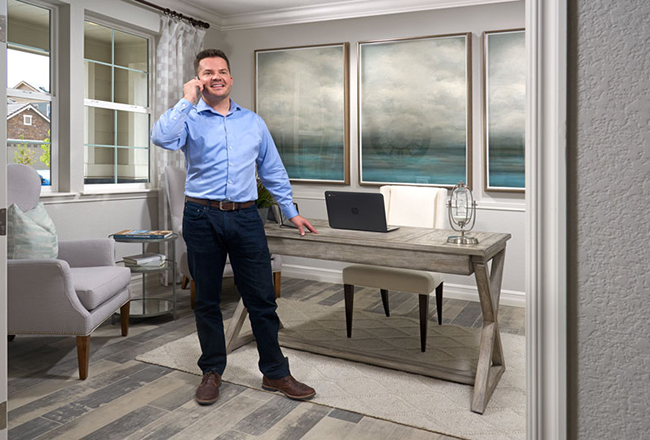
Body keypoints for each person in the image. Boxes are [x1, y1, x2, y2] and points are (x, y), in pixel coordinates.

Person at [151, 49, 318, 405]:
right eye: (208, 72)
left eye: (222, 71)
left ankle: (275, 373)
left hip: (245, 218)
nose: (217, 76)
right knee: (207, 301)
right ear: (199, 80)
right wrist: (185, 100)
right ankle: (212, 371)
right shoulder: (189, 118)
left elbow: (272, 169)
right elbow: (161, 138)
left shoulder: (253, 122)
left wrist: (291, 212)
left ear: (231, 78)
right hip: (201, 217)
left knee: (261, 299)